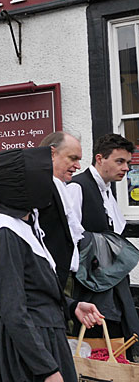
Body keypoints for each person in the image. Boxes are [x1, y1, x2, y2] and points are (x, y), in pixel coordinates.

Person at [0, 146, 104, 382]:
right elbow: (13, 310)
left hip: (41, 336)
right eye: (43, 177)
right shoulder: (5, 235)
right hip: (23, 351)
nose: (50, 183)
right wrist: (46, 368)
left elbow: (33, 288)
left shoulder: (26, 227)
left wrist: (71, 306)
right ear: (22, 186)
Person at [66, 133, 139, 354]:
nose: (126, 168)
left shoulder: (107, 189)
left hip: (113, 281)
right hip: (89, 285)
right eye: (120, 161)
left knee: (122, 336)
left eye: (127, 162)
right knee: (95, 342)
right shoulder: (77, 188)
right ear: (100, 158)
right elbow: (70, 238)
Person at [37, 131, 85, 290]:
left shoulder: (60, 188)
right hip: (48, 282)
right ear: (52, 153)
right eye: (73, 158)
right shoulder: (40, 190)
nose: (78, 166)